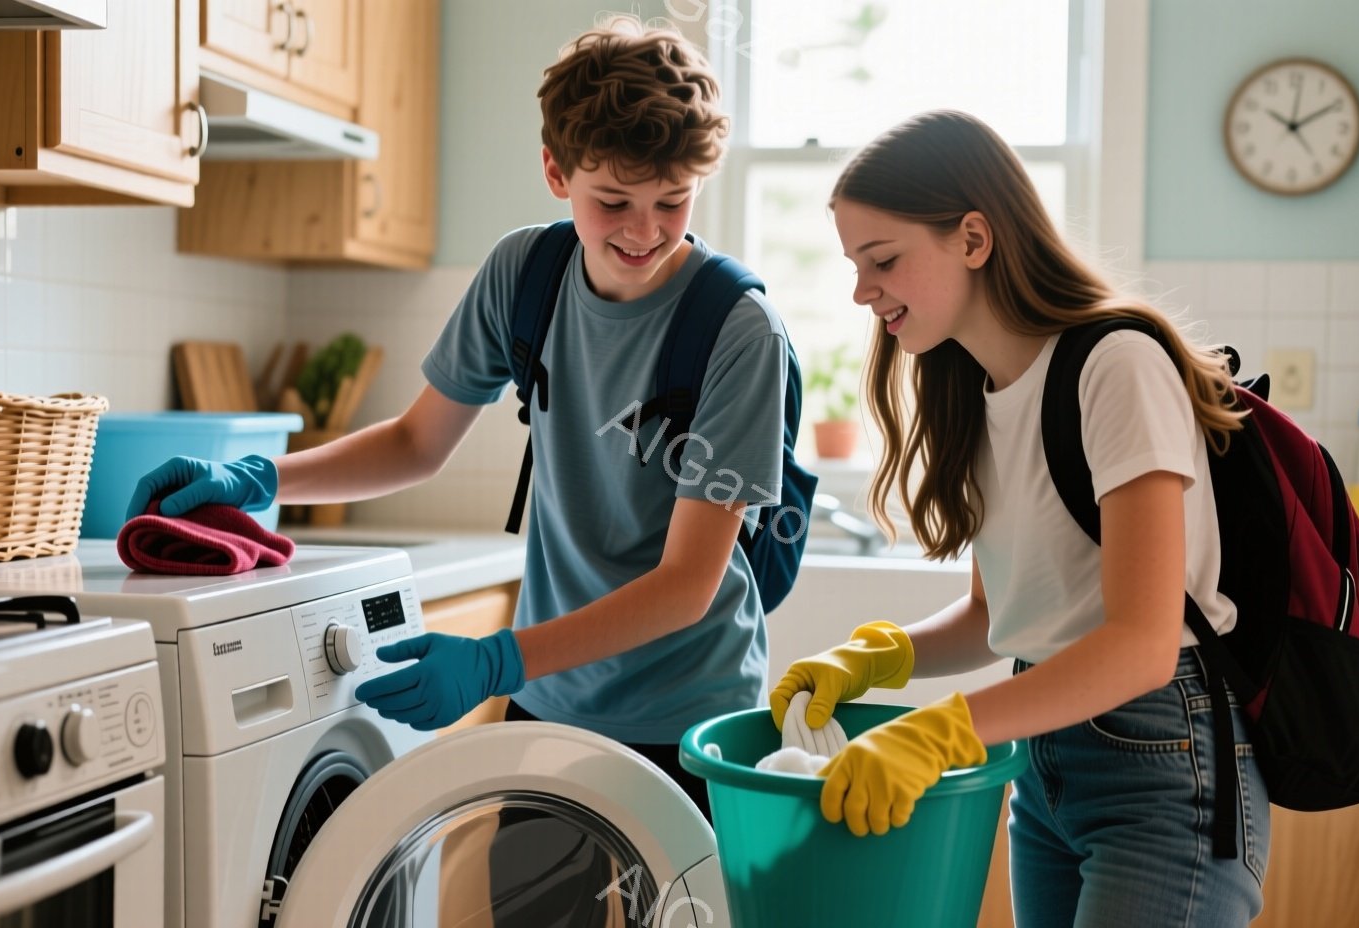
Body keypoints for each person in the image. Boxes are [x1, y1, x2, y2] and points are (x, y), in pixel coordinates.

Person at [126, 20, 790, 825]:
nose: (644, 232)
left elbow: (689, 584)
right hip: (550, 705)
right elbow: (416, 442)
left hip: (692, 725)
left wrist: (495, 660)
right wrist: (265, 478)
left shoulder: (736, 328)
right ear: (556, 170)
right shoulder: (526, 275)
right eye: (613, 201)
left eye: (672, 202)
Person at [772, 109, 1269, 926]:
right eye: (855, 265)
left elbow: (1141, 646)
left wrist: (939, 731)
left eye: (883, 260)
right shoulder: (977, 389)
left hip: (1164, 765)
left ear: (974, 237)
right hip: (1043, 759)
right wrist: (876, 658)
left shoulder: (1117, 364)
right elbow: (997, 616)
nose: (862, 292)